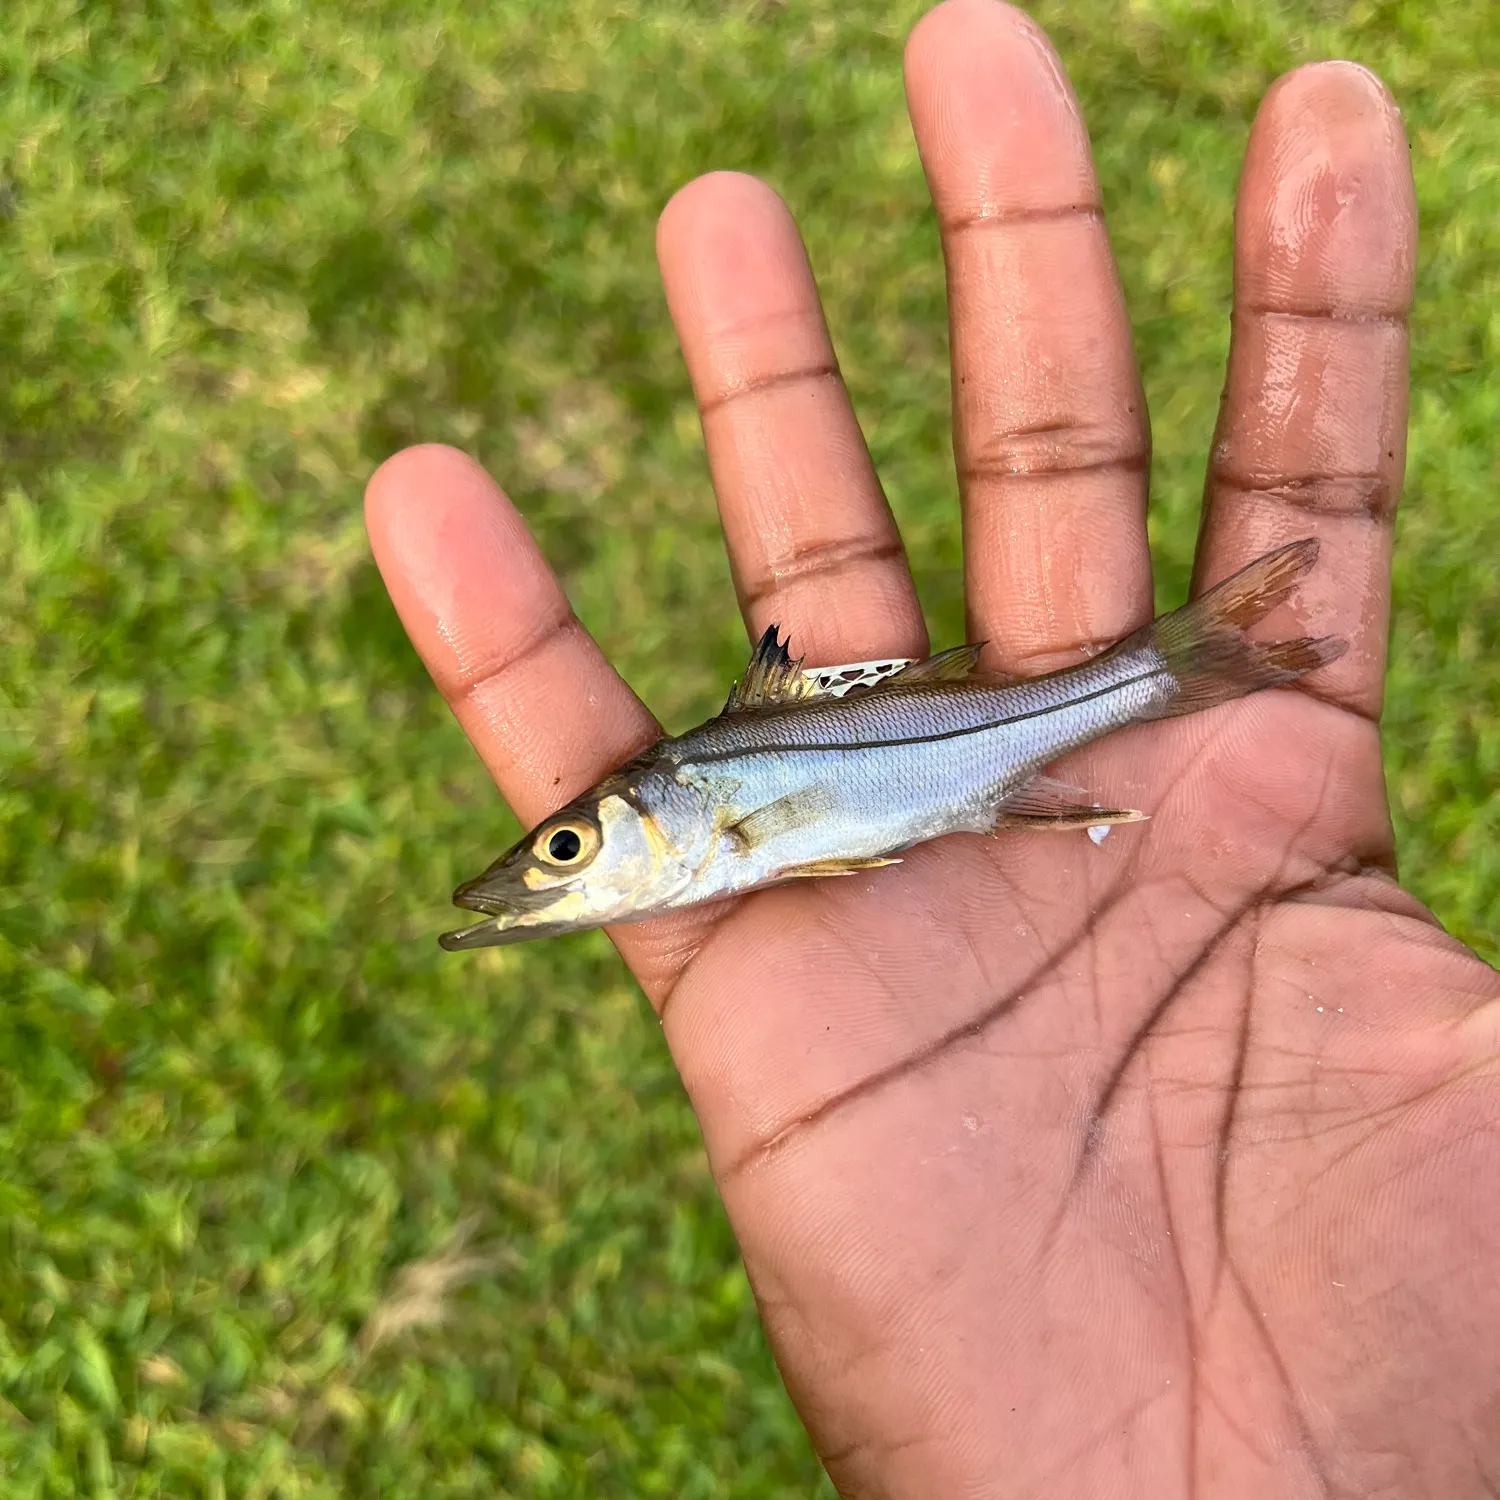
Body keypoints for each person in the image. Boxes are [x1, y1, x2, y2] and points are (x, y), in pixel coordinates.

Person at [365, 0, 1499, 1492]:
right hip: (952, 765)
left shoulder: (716, 809)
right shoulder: (711, 832)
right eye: (561, 853)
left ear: (658, 820)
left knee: (1121, 681)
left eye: (571, 845)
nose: (558, 864)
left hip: (959, 749)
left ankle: (1181, 662)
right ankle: (1183, 662)